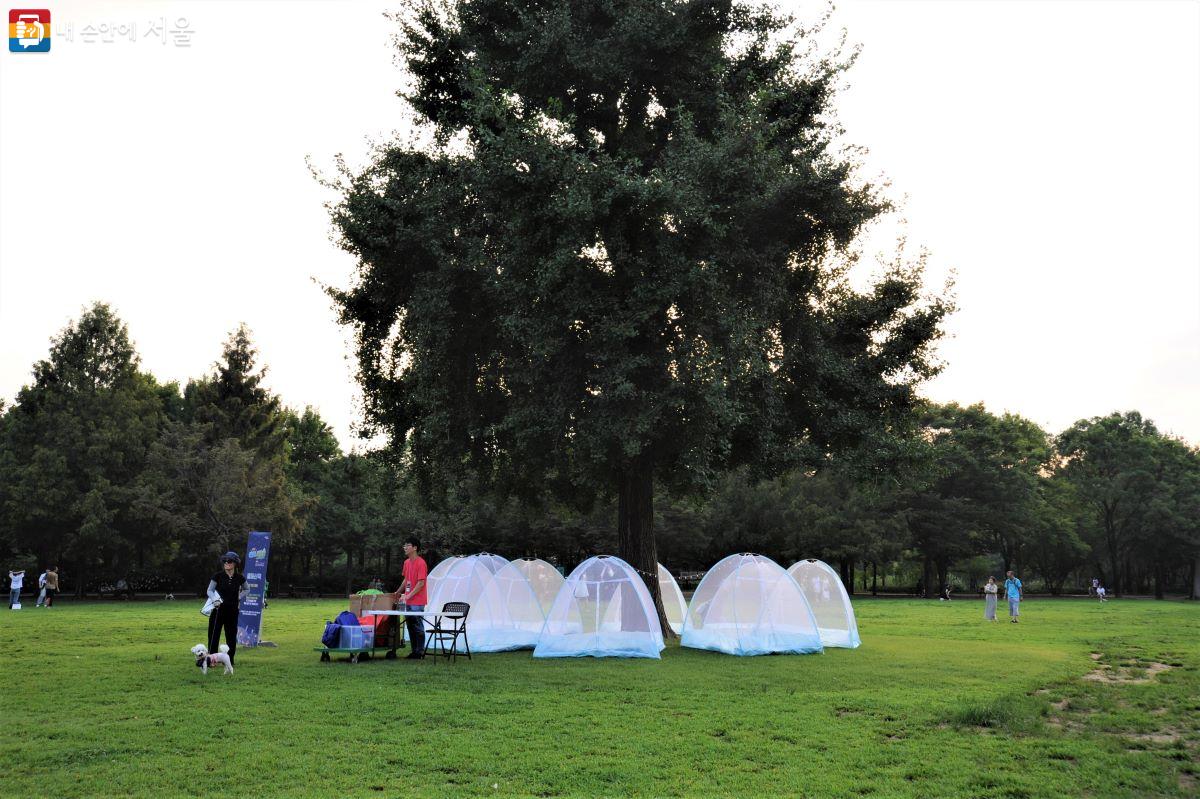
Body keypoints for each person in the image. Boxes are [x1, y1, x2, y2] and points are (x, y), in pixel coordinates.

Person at [207, 552, 247, 665]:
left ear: (234, 563)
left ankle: (230, 660)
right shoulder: (217, 576)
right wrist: (214, 599)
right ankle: (212, 660)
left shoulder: (239, 578)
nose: (226, 563)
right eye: (224, 561)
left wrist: (239, 597)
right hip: (218, 611)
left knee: (231, 636)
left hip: (232, 612)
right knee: (214, 635)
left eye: (229, 561)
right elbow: (209, 590)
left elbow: (247, 589)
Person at [396, 537, 428, 660]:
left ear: (415, 548)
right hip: (408, 600)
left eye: (407, 545)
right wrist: (399, 591)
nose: (405, 547)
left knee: (417, 626)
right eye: (404, 545)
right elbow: (406, 580)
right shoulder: (406, 563)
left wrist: (408, 595)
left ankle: (420, 652)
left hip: (418, 601)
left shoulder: (421, 563)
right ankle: (414, 651)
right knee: (409, 626)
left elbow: (421, 583)